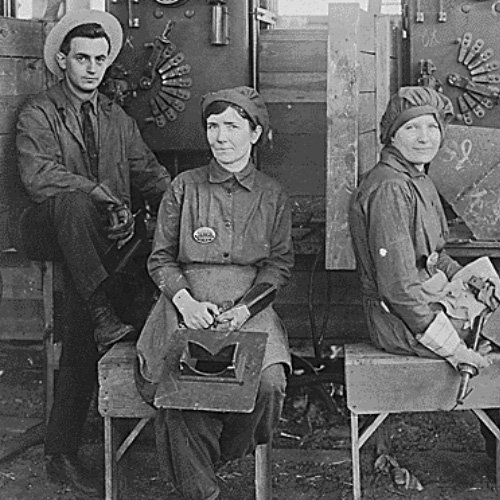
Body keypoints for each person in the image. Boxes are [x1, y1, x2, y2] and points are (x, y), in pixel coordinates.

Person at [15, 9, 171, 496]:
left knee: (87, 316)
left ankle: (63, 450)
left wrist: (189, 207)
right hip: (44, 227)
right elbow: (38, 178)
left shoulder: (116, 117)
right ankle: (103, 309)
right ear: (63, 60)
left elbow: (148, 173)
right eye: (81, 58)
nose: (92, 68)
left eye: (100, 60)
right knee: (73, 202)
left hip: (94, 239)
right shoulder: (39, 112)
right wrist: (101, 193)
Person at [135, 86, 294, 500]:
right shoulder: (183, 188)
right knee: (177, 390)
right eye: (212, 126)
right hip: (185, 303)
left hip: (249, 307)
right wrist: (185, 302)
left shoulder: (272, 195)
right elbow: (160, 259)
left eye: (232, 127)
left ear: (254, 134)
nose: (220, 137)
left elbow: (278, 266)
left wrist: (244, 310)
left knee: (270, 383)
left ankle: (216, 456)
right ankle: (203, 491)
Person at [349, 86, 500, 462]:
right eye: (411, 129)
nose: (424, 138)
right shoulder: (388, 188)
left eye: (431, 128)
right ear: (392, 135)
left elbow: (434, 257)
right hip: (397, 319)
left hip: (422, 302)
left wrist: (474, 281)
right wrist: (454, 348)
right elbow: (399, 289)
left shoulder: (418, 179)